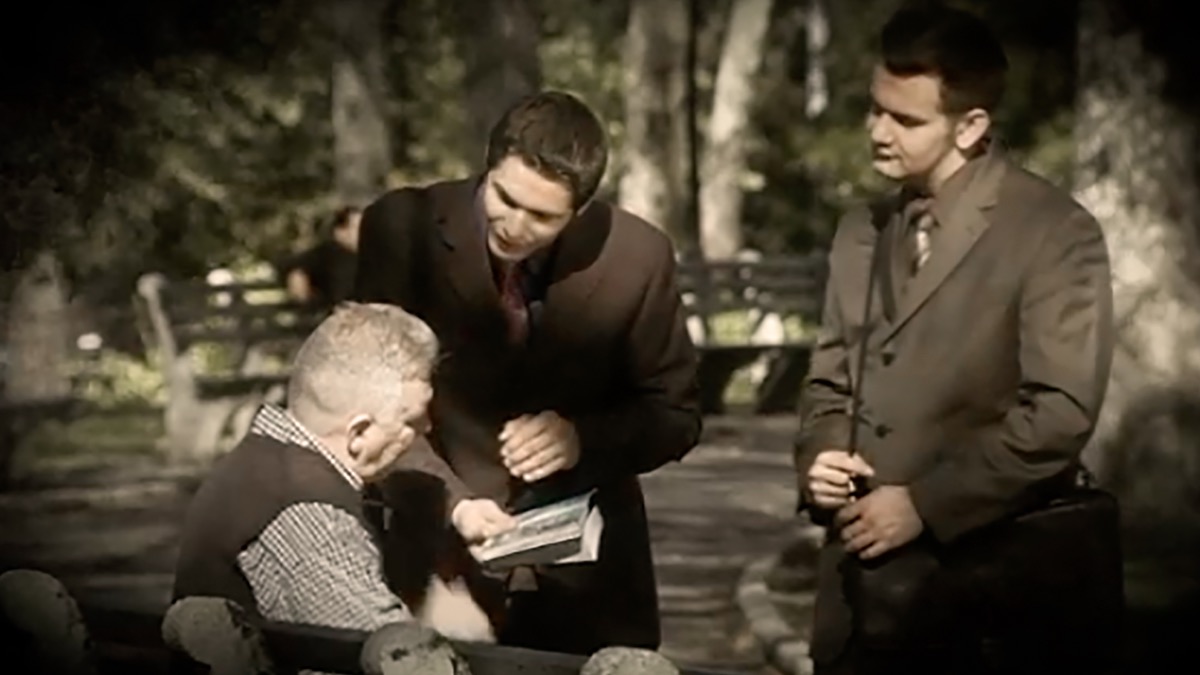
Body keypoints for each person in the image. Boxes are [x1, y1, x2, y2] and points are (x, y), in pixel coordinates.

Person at [793, 4, 1114, 674]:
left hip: (987, 599)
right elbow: (829, 381)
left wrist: (926, 504)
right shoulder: (860, 230)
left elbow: (1058, 412)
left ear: (971, 126)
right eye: (875, 108)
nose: (877, 131)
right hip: (857, 603)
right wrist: (820, 457)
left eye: (905, 120)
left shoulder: (1054, 231)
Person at [353, 90, 702, 655]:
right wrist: (452, 502)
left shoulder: (640, 256)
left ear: (579, 211)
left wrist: (581, 439)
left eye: (543, 217)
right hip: (437, 561)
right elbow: (364, 397)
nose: (514, 226)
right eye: (504, 198)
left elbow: (676, 414)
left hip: (587, 583)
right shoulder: (401, 227)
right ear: (488, 166)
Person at [172, 302, 517, 643]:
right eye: (413, 420)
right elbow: (398, 657)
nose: (427, 428)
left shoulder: (270, 456)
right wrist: (455, 632)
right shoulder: (311, 517)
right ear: (358, 434)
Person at [280, 206, 363, 307]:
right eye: (357, 228)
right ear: (340, 232)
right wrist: (297, 277)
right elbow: (295, 269)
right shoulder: (325, 254)